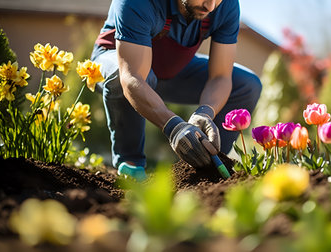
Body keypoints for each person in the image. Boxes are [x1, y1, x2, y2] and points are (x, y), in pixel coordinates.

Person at [91, 0, 262, 181]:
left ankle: (203, 168)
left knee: (246, 85)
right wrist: (174, 127)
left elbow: (220, 77)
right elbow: (132, 77)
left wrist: (205, 113)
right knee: (124, 74)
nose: (210, 7)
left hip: (172, 73)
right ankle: (131, 166)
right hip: (118, 67)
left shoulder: (226, 6)